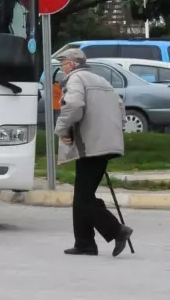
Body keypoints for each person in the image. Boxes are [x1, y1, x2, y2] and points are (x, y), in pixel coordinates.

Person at [54, 47, 134, 257]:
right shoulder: (101, 81)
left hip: (91, 145)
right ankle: (84, 243)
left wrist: (61, 129)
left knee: (83, 197)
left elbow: (74, 105)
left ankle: (117, 230)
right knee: (83, 195)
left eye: (63, 63)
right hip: (105, 143)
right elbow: (120, 107)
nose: (62, 68)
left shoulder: (76, 79)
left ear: (72, 64)